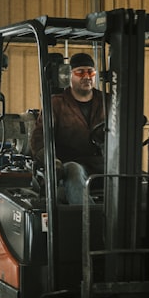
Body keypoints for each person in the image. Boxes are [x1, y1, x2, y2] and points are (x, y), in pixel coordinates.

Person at [29, 52, 106, 205]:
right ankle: (88, 222)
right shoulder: (56, 104)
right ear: (69, 75)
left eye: (90, 72)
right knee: (73, 170)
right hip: (70, 163)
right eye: (80, 72)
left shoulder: (107, 101)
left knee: (136, 175)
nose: (87, 76)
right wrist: (51, 160)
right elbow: (38, 139)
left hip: (102, 162)